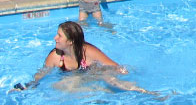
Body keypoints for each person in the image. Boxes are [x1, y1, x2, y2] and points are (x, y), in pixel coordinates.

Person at [18, 21, 161, 95]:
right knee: (62, 86)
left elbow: (113, 65)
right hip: (80, 77)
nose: (55, 38)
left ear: (71, 41)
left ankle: (148, 93)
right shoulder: (55, 56)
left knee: (110, 80)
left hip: (96, 71)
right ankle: (101, 92)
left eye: (59, 36)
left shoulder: (88, 52)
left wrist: (127, 73)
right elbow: (40, 75)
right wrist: (26, 86)